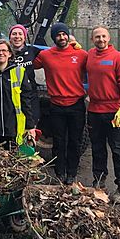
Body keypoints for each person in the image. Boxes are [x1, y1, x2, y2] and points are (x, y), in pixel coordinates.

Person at [33, 23, 88, 184]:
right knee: (59, 141)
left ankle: (72, 173)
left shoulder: (81, 54)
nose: (62, 37)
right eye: (58, 35)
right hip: (56, 105)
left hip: (76, 105)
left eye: (64, 34)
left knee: (74, 141)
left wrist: (119, 58)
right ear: (54, 38)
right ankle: (60, 172)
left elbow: (97, 63)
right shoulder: (46, 55)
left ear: (68, 36)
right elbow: (29, 63)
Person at [86, 26, 120, 204]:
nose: (101, 39)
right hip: (95, 111)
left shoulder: (118, 57)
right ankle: (99, 183)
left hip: (114, 111)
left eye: (104, 36)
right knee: (97, 149)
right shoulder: (89, 55)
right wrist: (73, 43)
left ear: (109, 38)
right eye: (97, 37)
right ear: (93, 40)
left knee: (119, 150)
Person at [8, 24, 41, 126]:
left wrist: (71, 44)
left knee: (31, 124)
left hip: (30, 95)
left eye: (20, 34)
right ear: (10, 37)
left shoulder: (32, 50)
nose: (17, 36)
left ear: (24, 37)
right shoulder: (3, 52)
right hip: (10, 95)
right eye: (14, 34)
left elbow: (54, 53)